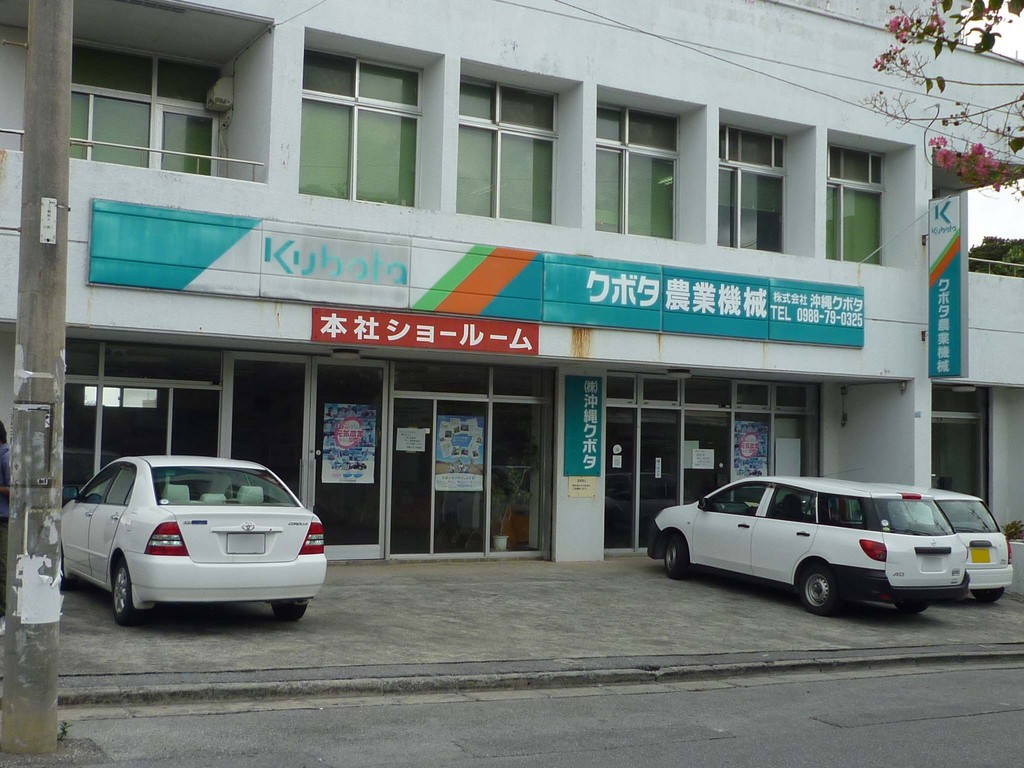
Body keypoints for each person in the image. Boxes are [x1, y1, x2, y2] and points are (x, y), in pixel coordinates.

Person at [0, 421, 9, 635]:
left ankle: (4, 616)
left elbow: (17, 489)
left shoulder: (7, 457)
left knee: (3, 569)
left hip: (4, 522)